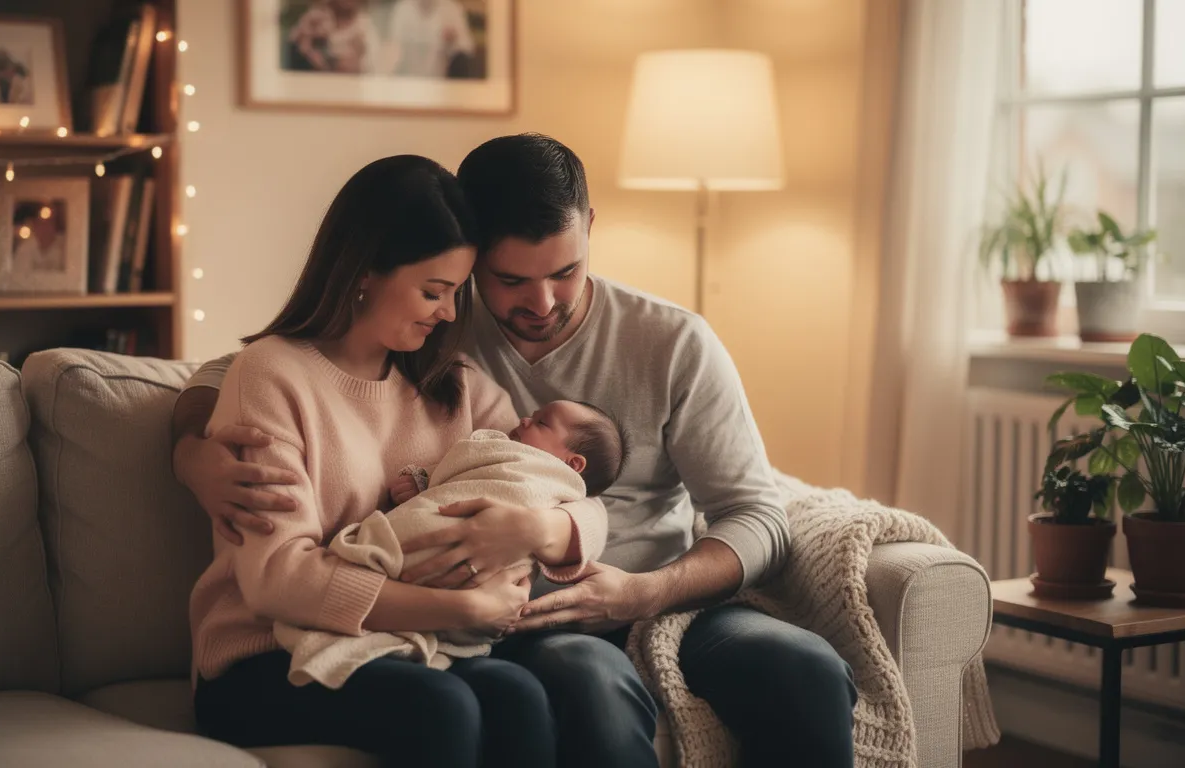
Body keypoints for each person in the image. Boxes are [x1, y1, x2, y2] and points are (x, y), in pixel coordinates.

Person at [173, 134, 857, 768]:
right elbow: (240, 371)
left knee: (805, 668)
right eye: (509, 280)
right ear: (473, 262)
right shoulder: (436, 334)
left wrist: (617, 574)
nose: (544, 300)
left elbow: (756, 514)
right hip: (529, 616)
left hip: (657, 591)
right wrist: (190, 453)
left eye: (565, 270)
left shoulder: (663, 343)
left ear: (591, 225)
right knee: (574, 683)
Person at [182, 153, 608, 768]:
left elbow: (563, 488)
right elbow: (276, 579)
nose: (449, 314)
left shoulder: (453, 384)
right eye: (433, 292)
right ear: (363, 273)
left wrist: (551, 529)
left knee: (519, 694)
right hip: (262, 657)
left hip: (403, 645)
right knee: (443, 709)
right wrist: (459, 607)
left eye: (458, 292)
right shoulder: (272, 377)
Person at [276, 399, 627, 690]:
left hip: (501, 598)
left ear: (572, 465)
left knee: (525, 690)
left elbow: (591, 508)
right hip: (446, 599)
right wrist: (425, 480)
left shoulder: (481, 401)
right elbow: (464, 471)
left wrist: (539, 527)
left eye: (540, 422)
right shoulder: (508, 445)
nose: (524, 418)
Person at [382, 0, 476, 78]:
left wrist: (454, 40)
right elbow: (391, 52)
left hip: (441, 85)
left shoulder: (452, 9)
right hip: (407, 84)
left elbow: (467, 48)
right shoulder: (402, 9)